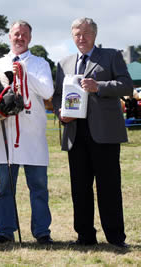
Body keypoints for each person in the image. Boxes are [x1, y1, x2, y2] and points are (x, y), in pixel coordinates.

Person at [52, 17, 133, 248]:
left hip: (104, 133)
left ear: (94, 35)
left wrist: (100, 87)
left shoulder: (111, 56)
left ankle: (116, 238)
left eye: (86, 33)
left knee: (109, 187)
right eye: (77, 34)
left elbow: (127, 86)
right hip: (75, 132)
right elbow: (58, 94)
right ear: (72, 36)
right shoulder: (63, 63)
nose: (81, 38)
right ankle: (85, 237)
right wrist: (60, 113)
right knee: (79, 187)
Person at [0, 20, 54, 245]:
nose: (20, 37)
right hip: (5, 133)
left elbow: (47, 91)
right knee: (5, 187)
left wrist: (26, 74)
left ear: (30, 38)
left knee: (38, 187)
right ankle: (5, 231)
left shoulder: (39, 63)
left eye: (24, 34)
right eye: (16, 34)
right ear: (9, 36)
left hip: (32, 134)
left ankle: (42, 232)